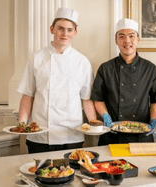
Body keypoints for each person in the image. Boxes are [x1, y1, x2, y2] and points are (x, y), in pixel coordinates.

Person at [17, 8, 97, 153]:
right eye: (60, 28)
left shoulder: (82, 62)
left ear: (75, 33)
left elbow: (86, 99)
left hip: (72, 134)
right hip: (40, 134)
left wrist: (94, 123)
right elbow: (28, 95)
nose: (65, 34)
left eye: (69, 30)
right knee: (39, 174)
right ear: (52, 29)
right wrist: (22, 124)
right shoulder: (37, 58)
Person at [91, 18, 156, 145]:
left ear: (138, 39)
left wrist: (154, 120)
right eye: (122, 36)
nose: (127, 41)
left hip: (142, 135)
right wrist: (106, 117)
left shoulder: (150, 68)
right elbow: (98, 98)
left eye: (131, 36)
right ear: (116, 40)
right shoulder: (106, 68)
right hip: (111, 135)